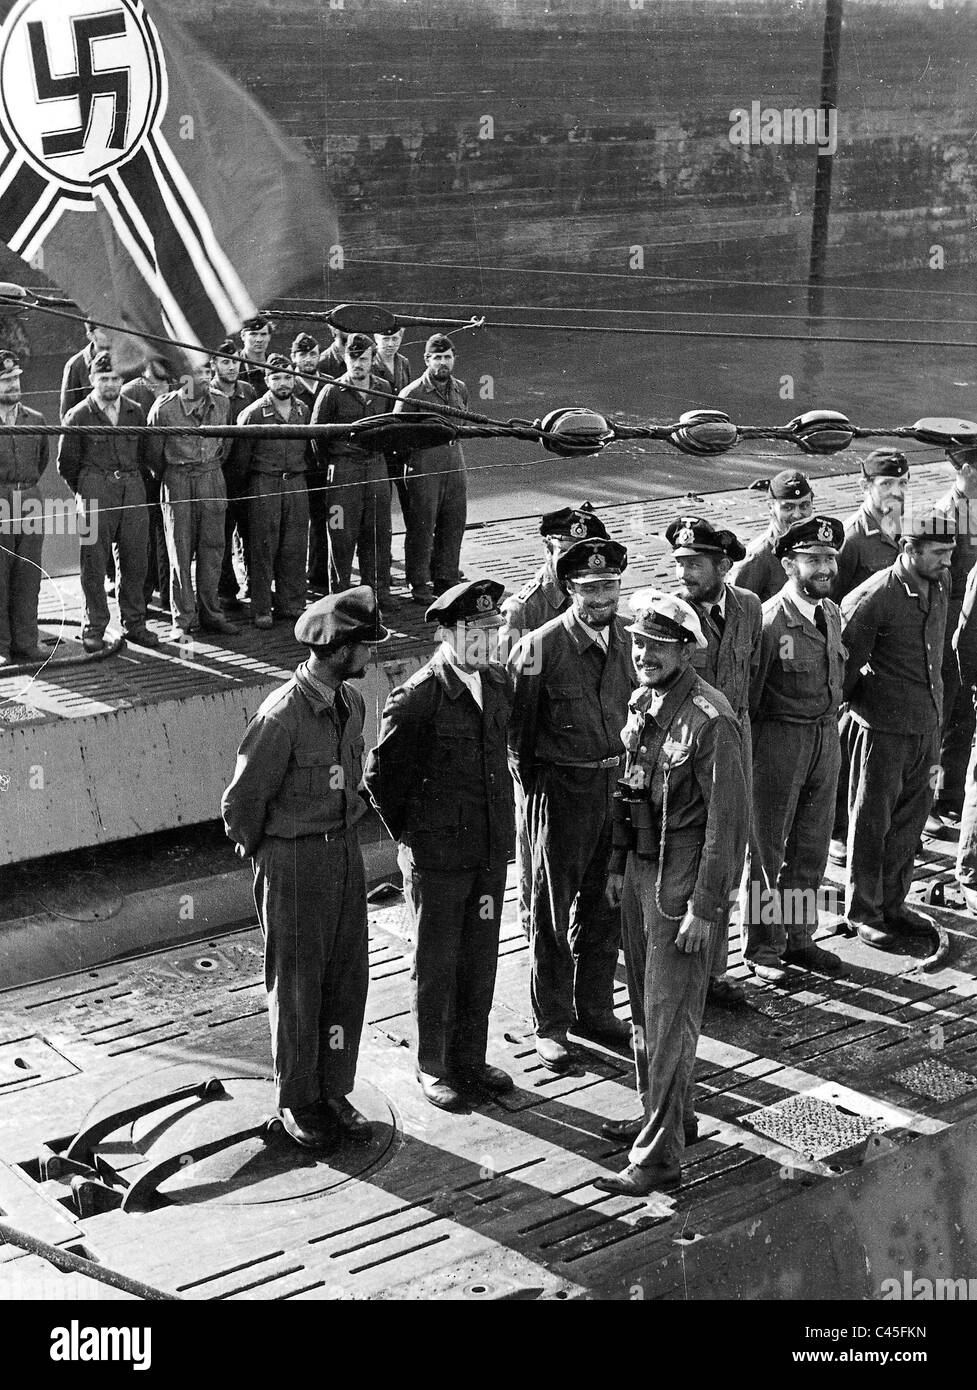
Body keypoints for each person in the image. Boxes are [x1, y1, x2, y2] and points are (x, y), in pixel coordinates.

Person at [221, 587, 388, 1150]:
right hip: (294, 861)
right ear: (340, 650)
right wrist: (271, 856)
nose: (372, 656)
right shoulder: (282, 715)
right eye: (365, 645)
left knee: (346, 977)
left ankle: (333, 1088)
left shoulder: (350, 704)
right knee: (296, 985)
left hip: (343, 852)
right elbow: (241, 804)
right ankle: (298, 1100)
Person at [597, 589, 747, 1195]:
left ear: (687, 650)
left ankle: (659, 1158)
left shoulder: (712, 721)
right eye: (638, 642)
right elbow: (630, 793)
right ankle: (667, 1116)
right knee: (643, 1008)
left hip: (679, 894)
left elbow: (726, 827)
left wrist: (706, 911)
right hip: (639, 876)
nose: (645, 654)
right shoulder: (646, 703)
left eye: (658, 645)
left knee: (669, 1018)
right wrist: (614, 863)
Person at [365, 579, 515, 1111]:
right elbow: (382, 778)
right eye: (477, 632)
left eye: (495, 630)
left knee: (480, 956)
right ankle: (434, 1065)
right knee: (436, 962)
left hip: (489, 851)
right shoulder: (418, 697)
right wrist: (415, 838)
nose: (490, 641)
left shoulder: (496, 682)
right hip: (439, 857)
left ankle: (471, 1058)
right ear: (449, 633)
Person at [507, 537, 633, 1071]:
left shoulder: (631, 640)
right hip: (560, 797)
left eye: (610, 587)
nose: (602, 597)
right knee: (552, 915)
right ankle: (551, 1023)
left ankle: (596, 1009)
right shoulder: (538, 649)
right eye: (590, 588)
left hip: (619, 793)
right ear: (568, 589)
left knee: (608, 905)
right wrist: (543, 800)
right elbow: (518, 742)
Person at [841, 514, 956, 949]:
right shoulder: (875, 597)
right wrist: (867, 710)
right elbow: (846, 666)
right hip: (883, 733)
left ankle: (893, 902)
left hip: (926, 728)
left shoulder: (939, 585)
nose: (947, 562)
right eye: (938, 553)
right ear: (909, 549)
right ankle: (864, 912)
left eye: (949, 553)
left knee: (910, 819)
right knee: (872, 822)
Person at [742, 516, 847, 983]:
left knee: (811, 845)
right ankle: (763, 947)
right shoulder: (769, 622)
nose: (824, 568)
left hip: (826, 738)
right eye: (813, 559)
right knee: (768, 848)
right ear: (788, 564)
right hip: (779, 742)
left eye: (829, 559)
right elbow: (750, 697)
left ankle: (799, 935)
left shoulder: (831, 612)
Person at [500, 503, 609, 939]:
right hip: (539, 748)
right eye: (565, 547)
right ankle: (532, 918)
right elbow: (507, 691)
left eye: (580, 548)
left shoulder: (593, 595)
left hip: (583, 741)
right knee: (533, 838)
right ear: (548, 547)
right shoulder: (524, 610)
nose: (572, 556)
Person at [665, 514, 761, 1004]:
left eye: (696, 563)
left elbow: (753, 678)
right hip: (684, 753)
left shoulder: (748, 607)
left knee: (728, 850)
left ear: (723, 564)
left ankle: (714, 970)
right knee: (687, 857)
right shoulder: (668, 617)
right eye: (679, 561)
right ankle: (680, 970)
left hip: (734, 742)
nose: (684, 572)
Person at [58, 351, 159, 653]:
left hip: (131, 487)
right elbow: (66, 464)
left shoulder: (135, 411)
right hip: (94, 489)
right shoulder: (78, 415)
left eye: (115, 378)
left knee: (135, 559)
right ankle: (95, 625)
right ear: (91, 379)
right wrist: (87, 491)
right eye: (103, 378)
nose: (110, 384)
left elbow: (144, 454)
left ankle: (135, 622)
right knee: (94, 562)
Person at [145, 358, 239, 639]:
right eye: (196, 373)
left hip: (212, 476)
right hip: (178, 480)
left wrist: (209, 467)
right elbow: (153, 456)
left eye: (207, 372)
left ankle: (212, 613)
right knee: (180, 551)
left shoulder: (222, 403)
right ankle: (183, 619)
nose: (203, 378)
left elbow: (227, 443)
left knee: (213, 548)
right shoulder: (164, 409)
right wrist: (175, 474)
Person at [227, 354, 311, 627]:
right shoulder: (252, 414)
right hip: (265, 484)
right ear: (266, 380)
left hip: (296, 483)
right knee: (264, 545)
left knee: (295, 545)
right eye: (276, 377)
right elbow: (240, 461)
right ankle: (262, 607)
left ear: (295, 378)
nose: (283, 383)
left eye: (287, 377)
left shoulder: (302, 411)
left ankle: (292, 602)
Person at [310, 334, 392, 602]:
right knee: (341, 535)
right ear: (345, 358)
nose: (358, 364)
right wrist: (334, 463)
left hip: (376, 469)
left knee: (378, 533)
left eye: (364, 359)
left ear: (372, 359)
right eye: (353, 358)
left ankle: (377, 593)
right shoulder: (332, 391)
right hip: (343, 473)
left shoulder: (384, 389)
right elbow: (316, 436)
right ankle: (341, 597)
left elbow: (393, 427)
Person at [393, 334, 469, 603]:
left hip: (454, 460)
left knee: (454, 520)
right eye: (437, 358)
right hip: (424, 463)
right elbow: (397, 437)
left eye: (447, 357)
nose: (442, 363)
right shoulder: (412, 394)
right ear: (426, 360)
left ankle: (446, 577)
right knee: (422, 526)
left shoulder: (460, 388)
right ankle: (419, 581)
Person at [931, 440, 977, 820]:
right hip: (949, 630)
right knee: (943, 718)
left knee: (964, 716)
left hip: (970, 625)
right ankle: (931, 800)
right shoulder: (947, 515)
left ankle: (950, 797)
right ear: (961, 471)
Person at [0, 350, 50, 665]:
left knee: (28, 573)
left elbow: (43, 460)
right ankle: (1, 646)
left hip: (30, 498)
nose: (12, 386)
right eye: (5, 381)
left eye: (15, 379)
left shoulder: (36, 419)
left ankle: (26, 641)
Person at [122, 359, 176, 614]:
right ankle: (143, 598)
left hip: (171, 473)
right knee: (143, 539)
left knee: (170, 536)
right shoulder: (131, 392)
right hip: (141, 475)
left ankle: (169, 594)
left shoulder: (179, 384)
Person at [210, 341, 257, 614]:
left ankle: (254, 584)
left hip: (246, 475)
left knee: (251, 532)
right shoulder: (208, 393)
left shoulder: (247, 391)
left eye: (235, 362)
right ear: (214, 364)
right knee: (221, 537)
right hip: (219, 476)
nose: (232, 367)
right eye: (225, 362)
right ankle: (225, 591)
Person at [729, 469, 814, 603]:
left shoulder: (819, 550)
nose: (797, 515)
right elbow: (737, 613)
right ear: (771, 507)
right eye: (788, 507)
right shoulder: (756, 559)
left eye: (804, 506)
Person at [371, 326, 413, 519]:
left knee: (410, 496)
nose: (390, 344)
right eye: (385, 339)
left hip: (402, 440)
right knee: (380, 500)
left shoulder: (403, 363)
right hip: (380, 440)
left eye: (395, 339)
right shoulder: (369, 364)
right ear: (375, 337)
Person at [59, 320, 110, 419]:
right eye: (104, 330)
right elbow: (67, 413)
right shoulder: (75, 365)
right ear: (91, 336)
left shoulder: (125, 359)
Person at [238, 314, 274, 394]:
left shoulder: (276, 365)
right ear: (243, 336)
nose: (259, 339)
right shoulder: (234, 366)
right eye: (253, 334)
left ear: (269, 337)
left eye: (263, 334)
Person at [290, 333, 322, 416]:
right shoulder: (288, 386)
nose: (308, 359)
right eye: (303, 354)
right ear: (293, 357)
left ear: (319, 356)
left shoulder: (330, 383)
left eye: (313, 354)